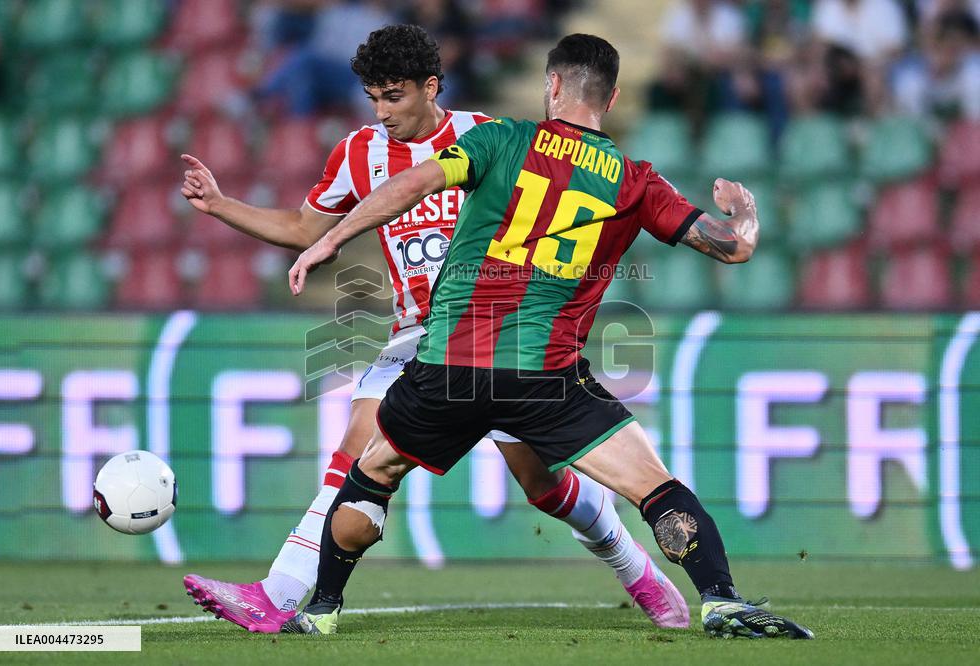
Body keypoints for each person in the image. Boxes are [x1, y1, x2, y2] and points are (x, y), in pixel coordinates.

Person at [286, 33, 815, 640]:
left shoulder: (498, 138)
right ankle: (721, 599)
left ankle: (322, 608)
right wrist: (743, 209)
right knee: (654, 486)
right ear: (612, 97)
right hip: (545, 378)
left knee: (371, 474)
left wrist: (329, 238)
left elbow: (411, 186)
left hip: (448, 367)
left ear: (552, 85)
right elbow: (735, 247)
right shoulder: (636, 181)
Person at [180, 25, 688, 634]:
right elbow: (301, 227)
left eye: (393, 96)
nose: (381, 112)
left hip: (500, 333)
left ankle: (637, 571)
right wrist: (221, 205)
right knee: (357, 446)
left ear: (431, 87)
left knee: (544, 486)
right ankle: (282, 592)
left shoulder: (489, 136)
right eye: (373, 97)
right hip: (416, 335)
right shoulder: (357, 153)